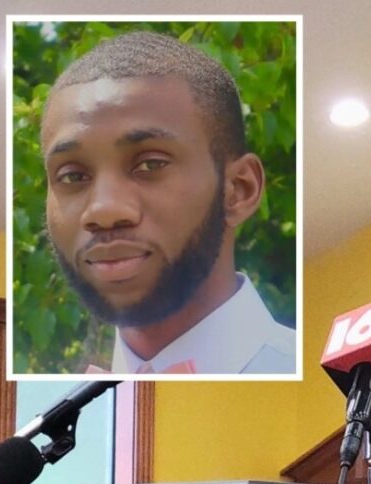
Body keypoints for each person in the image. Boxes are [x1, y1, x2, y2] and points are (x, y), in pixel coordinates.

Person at [39, 31, 295, 374]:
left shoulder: (332, 392)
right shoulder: (71, 412)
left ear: (238, 190)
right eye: (72, 176)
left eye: (150, 164)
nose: (104, 210)